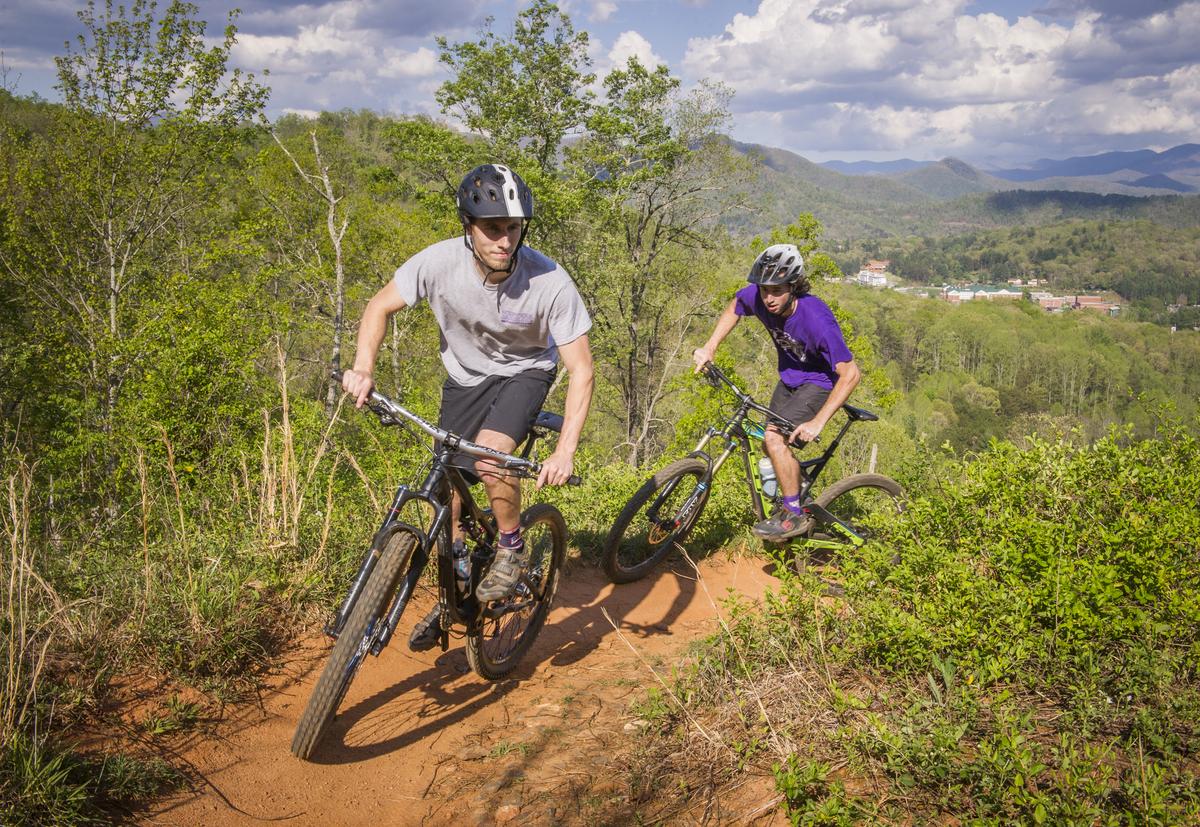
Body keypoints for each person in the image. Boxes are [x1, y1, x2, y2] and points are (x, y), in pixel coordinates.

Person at [341, 163, 594, 650]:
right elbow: (378, 307)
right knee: (447, 498)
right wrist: (363, 368)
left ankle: (512, 547)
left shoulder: (550, 281)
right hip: (464, 377)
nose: (504, 240)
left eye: (513, 229)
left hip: (526, 371)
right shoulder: (437, 263)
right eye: (493, 228)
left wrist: (565, 451)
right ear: (468, 227)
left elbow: (581, 369)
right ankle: (456, 596)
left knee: (491, 456)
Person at [691, 243, 860, 541]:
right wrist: (710, 347)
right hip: (789, 380)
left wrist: (817, 422)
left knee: (773, 437)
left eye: (777, 290)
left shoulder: (817, 319)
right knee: (768, 442)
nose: (769, 298)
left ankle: (793, 513)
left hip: (818, 383)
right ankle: (797, 488)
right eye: (765, 289)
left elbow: (850, 374)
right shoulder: (757, 298)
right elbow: (735, 306)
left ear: (793, 286)